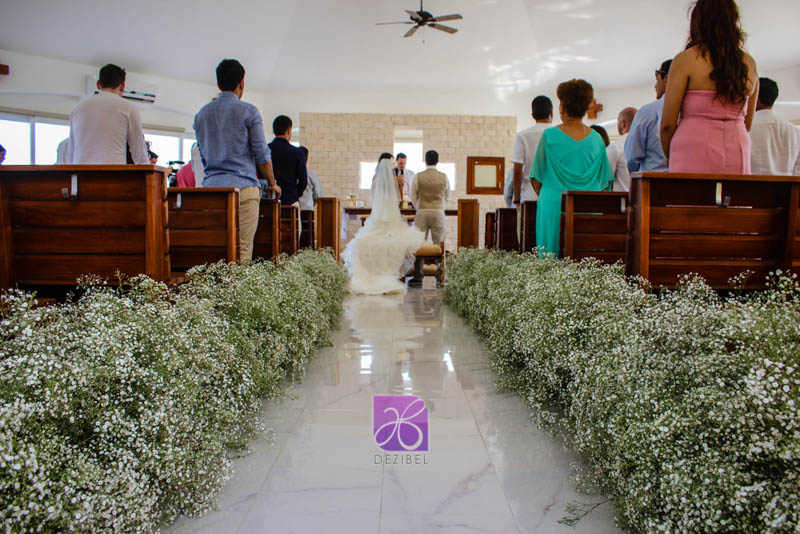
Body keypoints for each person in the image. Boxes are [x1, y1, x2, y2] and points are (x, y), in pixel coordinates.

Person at [194, 59, 279, 261]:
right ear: (241, 82)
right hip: (243, 189)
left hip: (212, 190)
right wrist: (272, 183)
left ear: (218, 83)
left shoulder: (201, 115)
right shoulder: (249, 111)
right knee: (242, 251)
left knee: (215, 252)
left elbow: (203, 155)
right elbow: (262, 155)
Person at [661, 0, 758, 174]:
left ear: (698, 21)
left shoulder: (686, 60)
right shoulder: (749, 63)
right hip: (737, 147)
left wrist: (670, 154)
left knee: (691, 192)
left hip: (691, 148)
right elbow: (747, 123)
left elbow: (667, 124)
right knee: (734, 192)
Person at [531, 79, 614, 257]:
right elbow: (605, 183)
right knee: (585, 260)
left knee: (550, 262)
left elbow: (536, 178)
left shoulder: (549, 136)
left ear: (562, 106)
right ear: (585, 107)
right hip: (587, 208)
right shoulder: (597, 139)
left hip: (554, 205)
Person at [342, 158, 425, 295]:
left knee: (362, 242)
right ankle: (388, 276)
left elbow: (375, 202)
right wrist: (399, 185)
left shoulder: (375, 182)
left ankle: (369, 275)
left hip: (377, 220)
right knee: (397, 241)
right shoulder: (395, 182)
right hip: (392, 220)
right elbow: (399, 201)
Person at [68, 64, 149, 164]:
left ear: (98, 84)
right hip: (112, 171)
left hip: (81, 172)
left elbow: (71, 152)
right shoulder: (128, 108)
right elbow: (139, 153)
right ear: (122, 86)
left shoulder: (77, 109)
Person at [625, 59, 672, 174]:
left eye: (657, 79)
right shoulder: (694, 113)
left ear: (666, 79)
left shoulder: (647, 113)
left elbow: (631, 158)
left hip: (652, 181)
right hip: (686, 181)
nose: (655, 86)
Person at [750, 78, 800, 175]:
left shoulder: (746, 128)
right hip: (785, 184)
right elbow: (798, 172)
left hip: (749, 183)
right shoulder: (794, 131)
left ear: (756, 97)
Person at [512, 95, 553, 208]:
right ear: (551, 113)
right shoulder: (558, 135)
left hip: (529, 197)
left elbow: (517, 171)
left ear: (533, 115)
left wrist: (516, 199)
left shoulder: (522, 136)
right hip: (552, 196)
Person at [268, 115, 307, 206]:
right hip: (290, 199)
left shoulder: (265, 150)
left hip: (269, 200)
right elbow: (303, 181)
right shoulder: (297, 152)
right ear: (288, 131)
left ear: (274, 131)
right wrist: (295, 193)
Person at [607, 107, 637, 191]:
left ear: (623, 123)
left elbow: (606, 177)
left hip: (622, 197)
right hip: (644, 197)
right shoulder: (647, 143)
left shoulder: (616, 146)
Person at [299, 146, 323, 210]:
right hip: (308, 209)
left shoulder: (290, 173)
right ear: (307, 160)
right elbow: (317, 194)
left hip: (292, 209)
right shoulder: (311, 174)